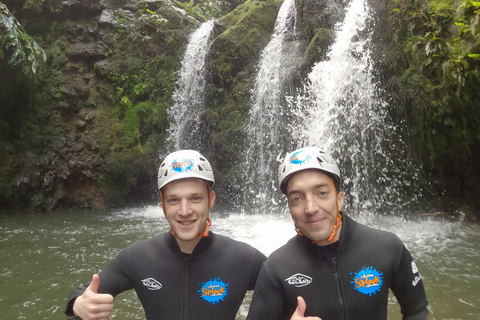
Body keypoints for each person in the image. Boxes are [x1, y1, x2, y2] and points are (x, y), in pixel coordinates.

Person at [65, 149, 266, 320]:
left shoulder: (244, 258)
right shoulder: (137, 257)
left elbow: (289, 293)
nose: (185, 210)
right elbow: (84, 292)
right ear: (162, 204)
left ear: (210, 199)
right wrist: (78, 305)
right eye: (173, 200)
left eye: (195, 198)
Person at [246, 147, 429, 320]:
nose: (310, 208)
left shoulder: (387, 247)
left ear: (339, 200)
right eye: (297, 198)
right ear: (289, 207)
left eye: (322, 193)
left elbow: (417, 311)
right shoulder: (275, 268)